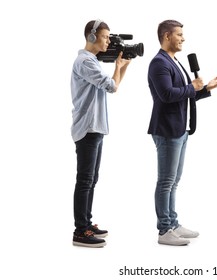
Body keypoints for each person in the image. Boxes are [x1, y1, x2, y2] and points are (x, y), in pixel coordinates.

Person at [147, 19, 217, 246]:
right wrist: (193, 87)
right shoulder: (158, 63)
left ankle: (173, 223)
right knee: (166, 181)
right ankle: (164, 230)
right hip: (167, 130)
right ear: (166, 36)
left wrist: (206, 88)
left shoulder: (174, 61)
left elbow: (185, 94)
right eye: (179, 34)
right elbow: (167, 95)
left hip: (180, 129)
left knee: (174, 181)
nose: (183, 38)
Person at [71, 19, 131, 248]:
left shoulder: (91, 62)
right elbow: (111, 86)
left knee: (91, 179)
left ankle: (86, 223)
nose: (109, 41)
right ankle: (80, 230)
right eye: (106, 37)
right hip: (87, 127)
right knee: (85, 180)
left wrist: (122, 66)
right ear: (92, 37)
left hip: (95, 127)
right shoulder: (86, 62)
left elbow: (113, 87)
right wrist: (118, 67)